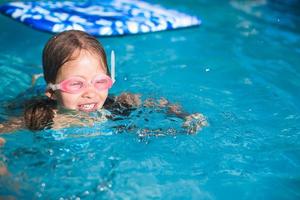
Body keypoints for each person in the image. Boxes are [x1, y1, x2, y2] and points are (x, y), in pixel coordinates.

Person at [0, 30, 207, 135]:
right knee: (26, 89)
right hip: (32, 99)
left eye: (99, 81)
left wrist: (185, 116)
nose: (90, 93)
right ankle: (34, 77)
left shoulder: (118, 105)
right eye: (76, 84)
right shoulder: (38, 118)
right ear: (52, 92)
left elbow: (157, 101)